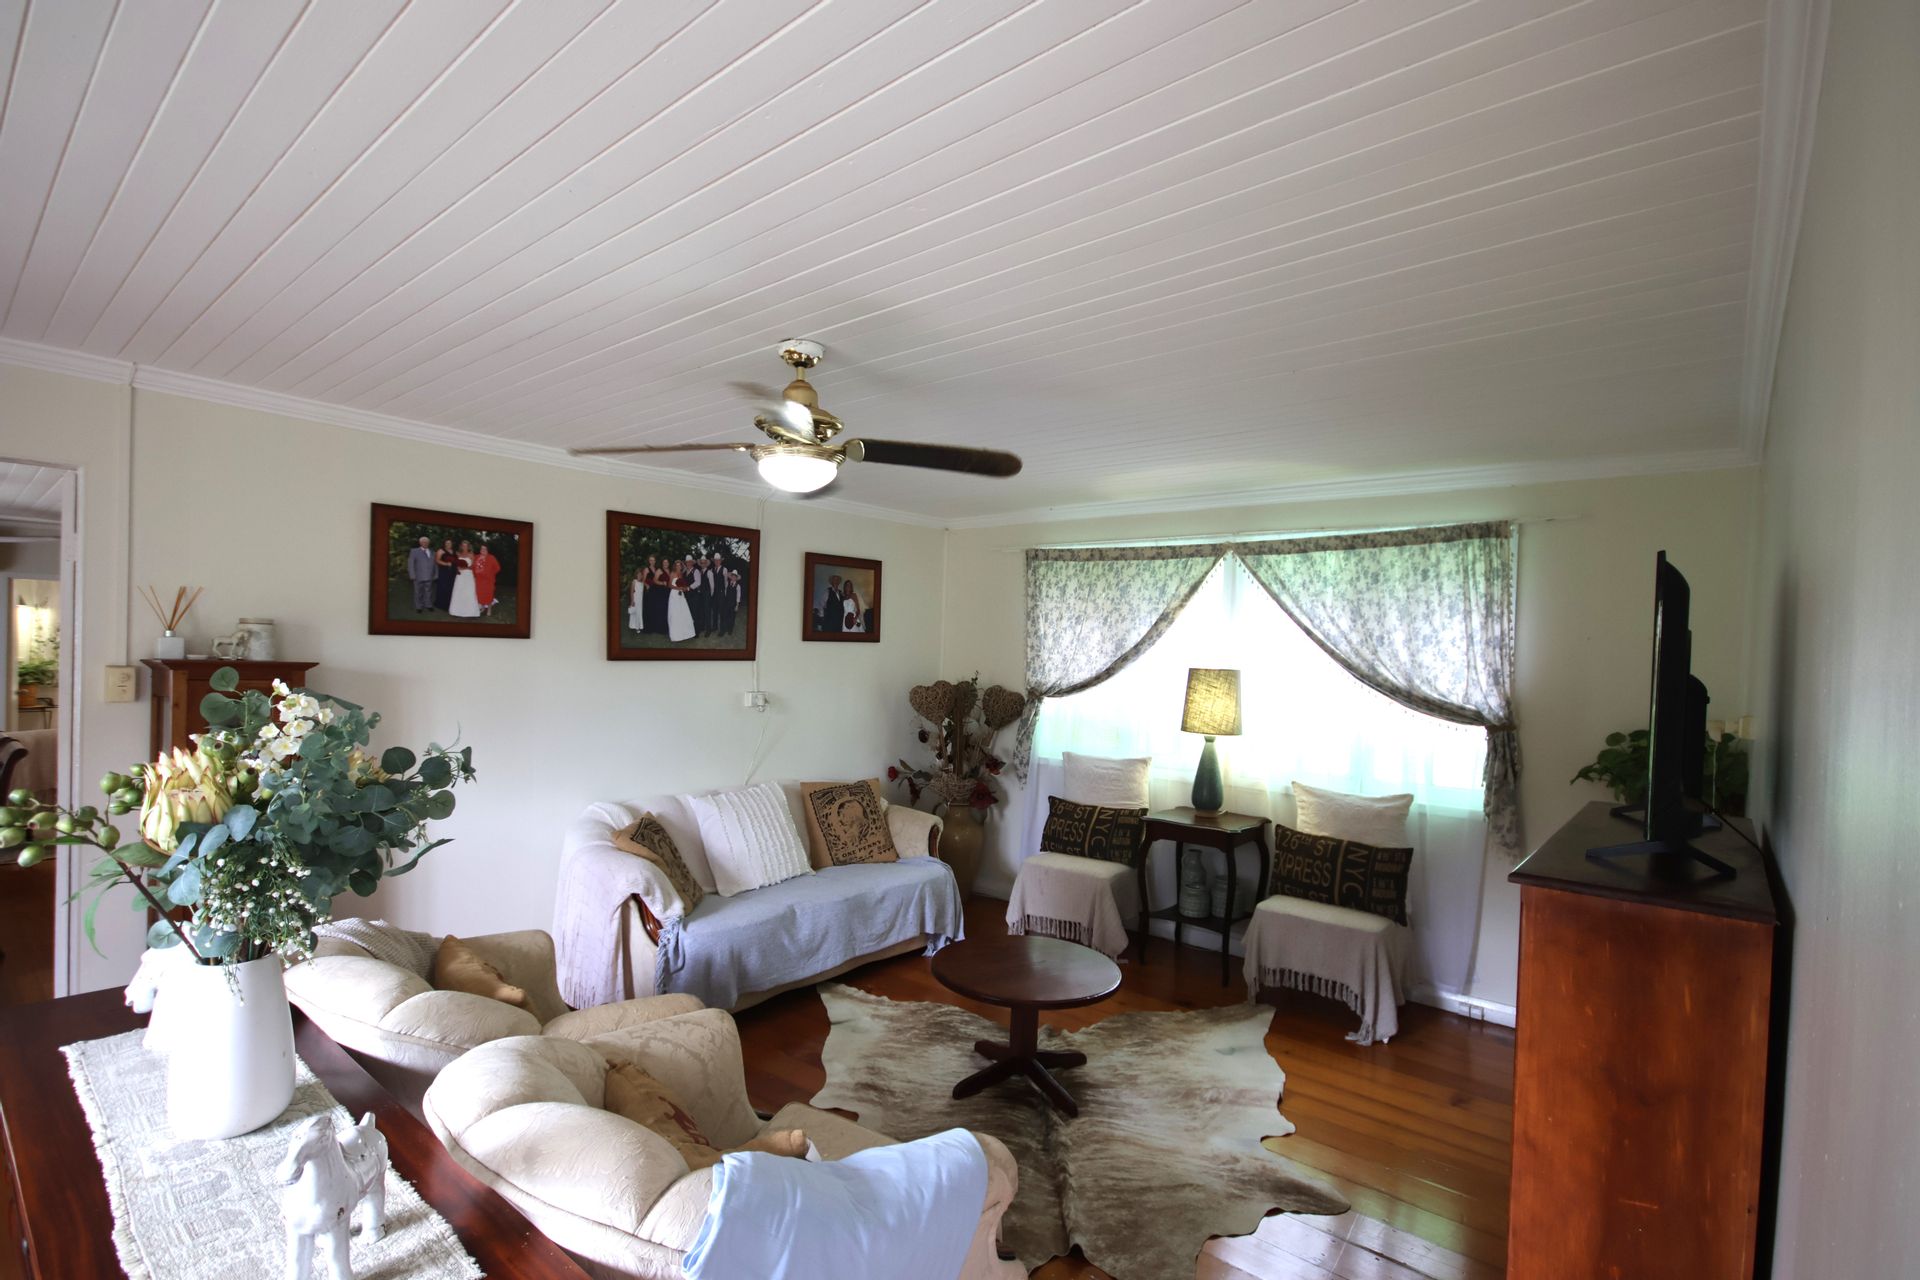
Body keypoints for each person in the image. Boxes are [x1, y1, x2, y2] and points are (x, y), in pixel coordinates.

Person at [448, 541, 481, 618]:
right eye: (463, 546)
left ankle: (471, 612)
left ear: (468, 546)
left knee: (469, 592)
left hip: (468, 575)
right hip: (460, 576)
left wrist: (464, 568)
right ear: (461, 546)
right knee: (458, 591)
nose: (464, 547)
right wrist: (457, 568)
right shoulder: (458, 554)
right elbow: (456, 564)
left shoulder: (471, 554)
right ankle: (456, 611)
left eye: (466, 546)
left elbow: (473, 566)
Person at [666, 560, 695, 643]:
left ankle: (686, 633)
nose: (678, 566)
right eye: (677, 565)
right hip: (674, 594)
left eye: (680, 565)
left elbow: (683, 584)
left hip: (681, 594)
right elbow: (669, 585)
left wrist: (684, 588)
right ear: (675, 566)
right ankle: (676, 635)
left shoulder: (682, 574)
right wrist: (678, 588)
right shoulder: (672, 573)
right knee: (675, 613)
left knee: (683, 612)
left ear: (681, 566)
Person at [406, 536, 437, 613]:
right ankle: (419, 606)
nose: (425, 543)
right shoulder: (414, 551)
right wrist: (412, 575)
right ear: (420, 543)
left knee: (429, 591)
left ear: (429, 543)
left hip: (429, 576)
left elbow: (435, 564)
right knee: (418, 592)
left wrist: (436, 574)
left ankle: (428, 605)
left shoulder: (433, 552)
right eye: (423, 542)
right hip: (418, 576)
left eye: (427, 542)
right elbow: (410, 564)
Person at [471, 542, 501, 617]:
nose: (483, 550)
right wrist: (474, 575)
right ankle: (483, 608)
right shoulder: (476, 557)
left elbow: (497, 568)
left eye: (485, 549)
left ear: (487, 550)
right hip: (478, 580)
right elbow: (473, 567)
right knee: (480, 595)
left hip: (488, 581)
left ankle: (489, 609)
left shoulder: (491, 557)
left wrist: (490, 574)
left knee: (489, 595)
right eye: (482, 548)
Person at [432, 539, 458, 612]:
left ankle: (450, 604)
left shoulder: (454, 551)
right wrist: (446, 564)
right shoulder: (441, 551)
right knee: (443, 588)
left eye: (450, 543)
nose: (448, 544)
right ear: (444, 544)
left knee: (451, 588)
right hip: (444, 572)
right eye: (447, 543)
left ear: (452, 544)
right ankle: (442, 604)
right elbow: (437, 560)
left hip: (452, 572)